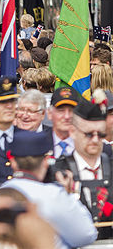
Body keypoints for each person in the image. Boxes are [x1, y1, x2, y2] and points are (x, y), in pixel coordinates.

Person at [1, 130, 97, 249]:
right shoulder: (53, 195)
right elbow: (86, 235)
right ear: (46, 162)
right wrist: (71, 195)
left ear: (13, 162)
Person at [54, 95, 113, 239]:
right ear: (73, 132)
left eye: (100, 135)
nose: (95, 140)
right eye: (88, 134)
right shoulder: (58, 171)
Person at [50, 86, 80, 158]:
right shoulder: (37, 143)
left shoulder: (87, 143)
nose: (67, 116)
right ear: (49, 113)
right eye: (61, 111)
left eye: (72, 110)